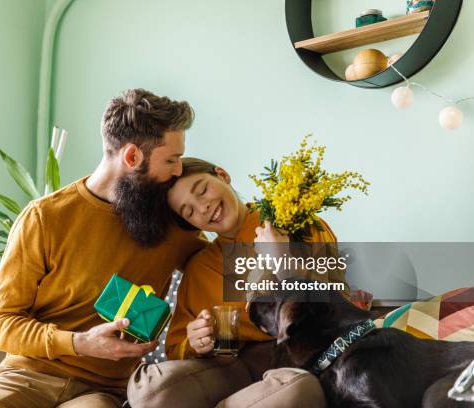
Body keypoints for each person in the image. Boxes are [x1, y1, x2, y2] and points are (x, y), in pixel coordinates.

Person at [0, 90, 207, 408]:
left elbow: (225, 264)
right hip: (25, 379)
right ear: (132, 158)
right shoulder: (45, 217)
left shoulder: (172, 226)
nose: (178, 171)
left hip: (99, 392)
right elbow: (0, 324)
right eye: (171, 159)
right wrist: (81, 343)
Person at [127, 158, 349, 408]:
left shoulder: (297, 225)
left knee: (295, 390)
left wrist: (284, 265)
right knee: (152, 392)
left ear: (223, 174)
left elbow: (338, 307)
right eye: (188, 212)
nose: (202, 207)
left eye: (202, 190)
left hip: (302, 361)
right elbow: (178, 347)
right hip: (234, 368)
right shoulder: (200, 269)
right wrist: (195, 341)